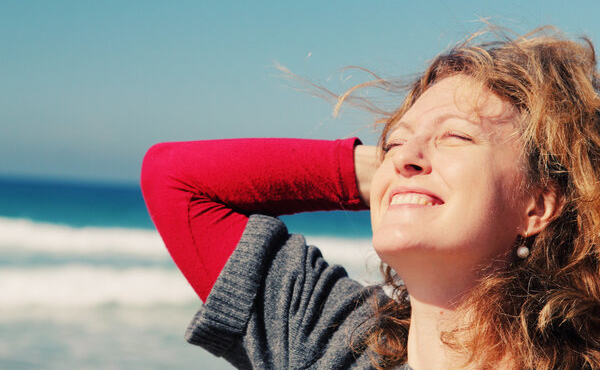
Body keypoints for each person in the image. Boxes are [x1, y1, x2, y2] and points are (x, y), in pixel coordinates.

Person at [141, 27, 600, 370]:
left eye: (457, 137)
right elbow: (175, 177)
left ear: (538, 205)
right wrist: (393, 177)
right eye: (395, 143)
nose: (405, 158)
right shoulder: (332, 340)